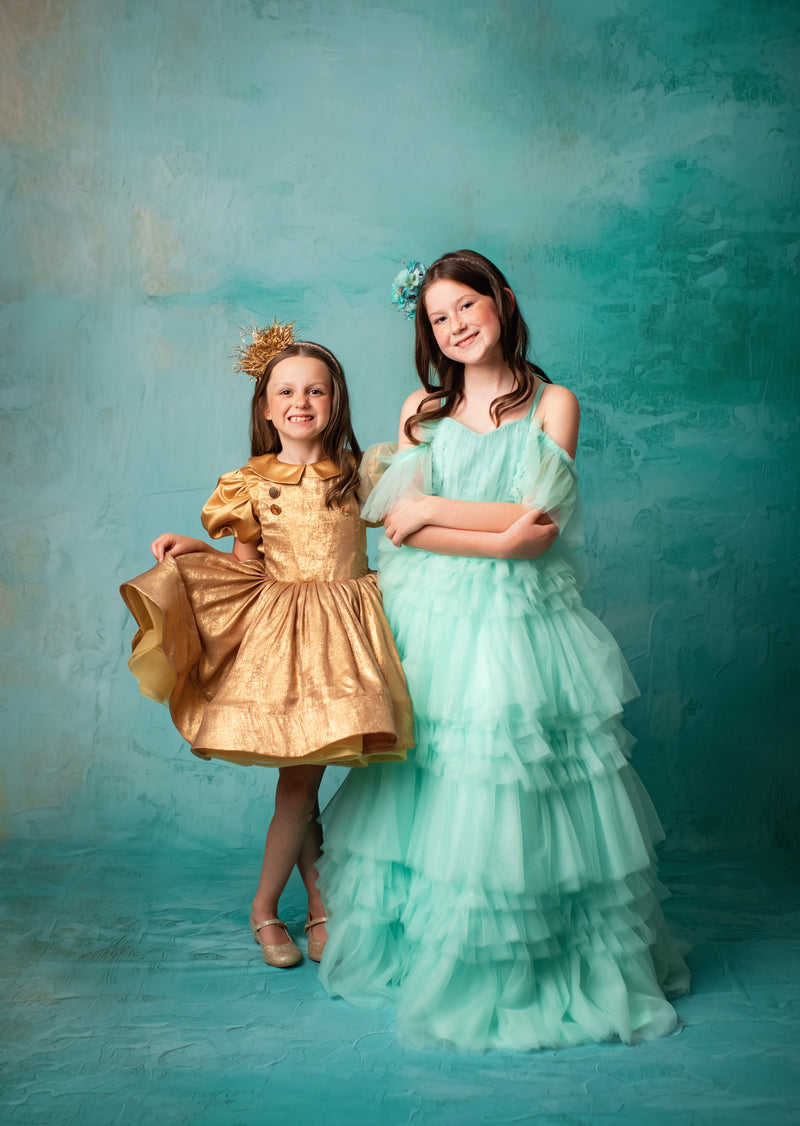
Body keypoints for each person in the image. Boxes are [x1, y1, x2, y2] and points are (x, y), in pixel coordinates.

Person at [317, 250, 690, 1050]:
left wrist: (436, 518)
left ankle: (524, 956)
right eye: (438, 319)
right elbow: (399, 524)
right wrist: (482, 527)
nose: (455, 327)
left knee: (509, 778)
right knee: (427, 782)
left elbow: (538, 524)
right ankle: (427, 949)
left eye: (466, 308)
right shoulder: (421, 409)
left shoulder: (554, 402)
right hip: (431, 625)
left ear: (502, 301)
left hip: (520, 625)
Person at [120, 323, 413, 968]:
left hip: (350, 637)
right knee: (298, 784)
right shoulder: (251, 484)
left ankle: (314, 906)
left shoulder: (361, 477)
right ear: (265, 405)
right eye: (286, 390)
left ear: (335, 403)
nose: (300, 402)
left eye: (316, 390)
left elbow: (398, 542)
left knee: (304, 780)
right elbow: (248, 566)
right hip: (286, 642)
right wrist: (198, 552)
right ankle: (276, 909)